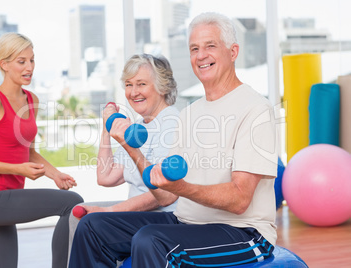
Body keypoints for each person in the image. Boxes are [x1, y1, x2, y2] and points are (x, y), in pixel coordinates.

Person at [68, 12, 279, 268]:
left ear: (233, 52)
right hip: (187, 222)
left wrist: (181, 188)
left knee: (150, 240)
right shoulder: (190, 113)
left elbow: (239, 199)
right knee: (93, 227)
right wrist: (127, 145)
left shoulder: (256, 109)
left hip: (244, 232)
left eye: (210, 46)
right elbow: (166, 197)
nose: (201, 55)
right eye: (194, 48)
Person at [0, 32, 83, 268]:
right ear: (4, 65)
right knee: (72, 203)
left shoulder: (31, 100)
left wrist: (54, 174)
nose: (29, 67)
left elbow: (27, 150)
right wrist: (17, 168)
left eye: (32, 60)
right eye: (22, 61)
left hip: (7, 198)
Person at [67, 54, 181, 258]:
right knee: (77, 214)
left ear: (162, 87)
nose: (133, 92)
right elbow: (105, 176)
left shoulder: (171, 123)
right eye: (129, 85)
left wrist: (112, 211)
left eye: (141, 84)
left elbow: (165, 195)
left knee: (90, 223)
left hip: (164, 217)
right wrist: (107, 128)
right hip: (138, 214)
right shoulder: (139, 126)